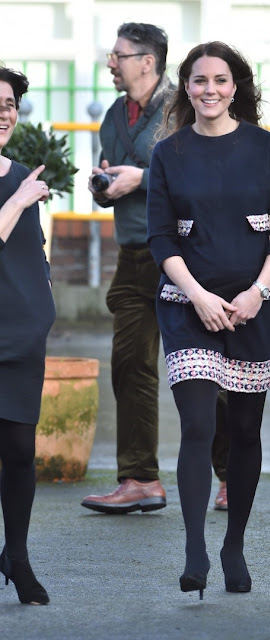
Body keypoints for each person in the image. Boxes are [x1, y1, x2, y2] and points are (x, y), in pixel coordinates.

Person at [147, 41, 270, 598]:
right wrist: (200, 296)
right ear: (185, 87)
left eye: (220, 80)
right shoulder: (169, 153)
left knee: (245, 431)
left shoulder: (265, 147)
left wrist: (260, 289)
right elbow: (160, 237)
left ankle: (234, 544)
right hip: (188, 307)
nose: (209, 89)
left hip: (254, 307)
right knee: (197, 425)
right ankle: (195, 550)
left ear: (236, 87)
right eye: (198, 80)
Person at [81, 22, 229, 515]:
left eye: (119, 55)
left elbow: (202, 176)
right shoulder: (112, 116)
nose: (111, 63)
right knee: (131, 365)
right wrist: (104, 185)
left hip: (184, 258)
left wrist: (140, 178)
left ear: (148, 61)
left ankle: (231, 472)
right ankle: (140, 478)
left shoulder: (183, 111)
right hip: (131, 258)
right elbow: (112, 179)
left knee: (202, 371)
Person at [0, 66, 55, 604]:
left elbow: (30, 252)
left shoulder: (20, 171)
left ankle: (16, 557)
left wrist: (43, 303)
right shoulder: (20, 185)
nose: (3, 111)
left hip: (20, 337)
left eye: (10, 102)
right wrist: (18, 200)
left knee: (19, 451)